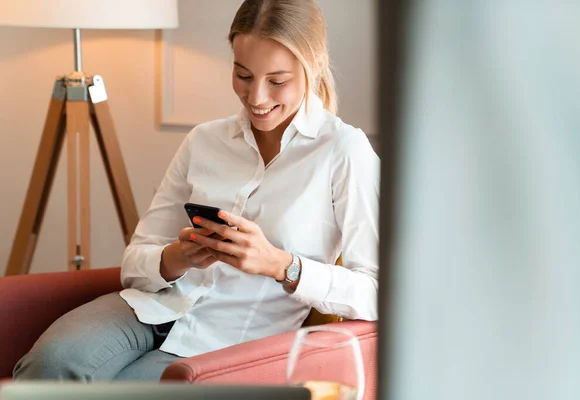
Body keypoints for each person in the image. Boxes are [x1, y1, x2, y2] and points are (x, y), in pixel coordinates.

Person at [13, 0, 380, 382]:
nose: (256, 98)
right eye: (243, 74)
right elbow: (135, 259)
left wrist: (281, 265)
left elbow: (375, 291)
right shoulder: (204, 140)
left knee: (126, 389)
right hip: (149, 308)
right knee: (49, 366)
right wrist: (177, 257)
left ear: (314, 66)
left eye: (277, 81)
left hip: (232, 337)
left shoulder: (343, 151)